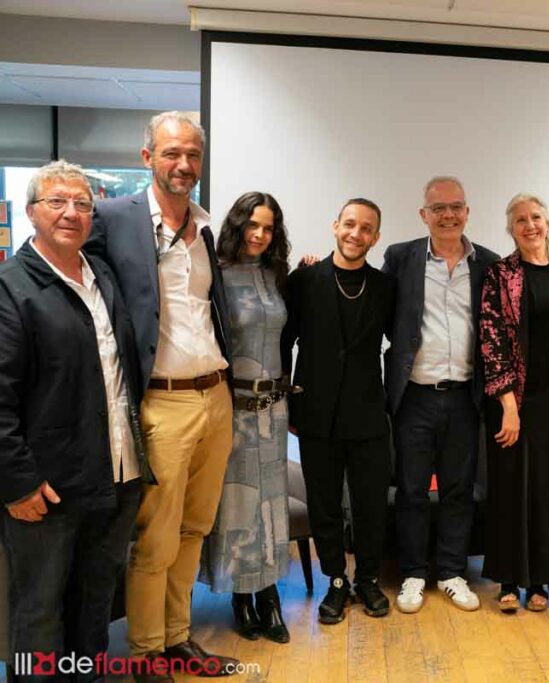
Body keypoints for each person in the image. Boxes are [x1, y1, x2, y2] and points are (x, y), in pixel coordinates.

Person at [86, 111, 236, 681]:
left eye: (192, 155)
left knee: (196, 528)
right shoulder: (112, 217)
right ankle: (146, 651)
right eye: (172, 153)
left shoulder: (204, 226)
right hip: (162, 402)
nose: (184, 164)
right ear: (147, 157)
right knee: (156, 533)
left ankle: (178, 639)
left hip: (215, 397)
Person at [0, 161, 148, 683]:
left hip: (115, 476)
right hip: (46, 487)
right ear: (31, 211)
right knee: (39, 612)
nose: (71, 213)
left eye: (83, 204)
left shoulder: (100, 275)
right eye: (57, 202)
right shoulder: (11, 289)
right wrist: (17, 483)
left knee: (94, 604)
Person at [382, 176, 498, 614]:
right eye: (438, 208)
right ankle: (413, 572)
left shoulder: (488, 263)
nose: (448, 215)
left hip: (466, 396)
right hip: (414, 395)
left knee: (459, 489)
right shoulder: (401, 258)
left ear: (467, 212)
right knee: (411, 489)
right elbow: (379, 309)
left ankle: (451, 572)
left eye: (456, 207)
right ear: (423, 214)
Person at [282, 198, 396, 624]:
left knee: (370, 503)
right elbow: (284, 340)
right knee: (324, 503)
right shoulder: (305, 280)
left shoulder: (386, 287)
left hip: (368, 412)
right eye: (350, 224)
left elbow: (399, 347)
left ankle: (367, 578)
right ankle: (334, 580)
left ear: (375, 237)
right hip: (316, 411)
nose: (356, 233)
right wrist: (284, 394)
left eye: (366, 228)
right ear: (335, 226)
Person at [479, 193, 549, 612]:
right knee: (507, 487)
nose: (530, 225)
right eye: (520, 220)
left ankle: (541, 580)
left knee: (544, 488)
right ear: (511, 228)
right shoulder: (499, 274)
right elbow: (491, 340)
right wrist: (508, 405)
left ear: (547, 221)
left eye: (536, 217)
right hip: (509, 398)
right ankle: (508, 579)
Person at [198, 192, 292, 644]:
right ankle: (239, 595)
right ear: (237, 225)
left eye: (268, 227)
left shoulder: (278, 275)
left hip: (274, 409)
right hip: (232, 407)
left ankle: (269, 595)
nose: (259, 234)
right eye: (252, 225)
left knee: (271, 504)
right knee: (237, 503)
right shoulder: (214, 275)